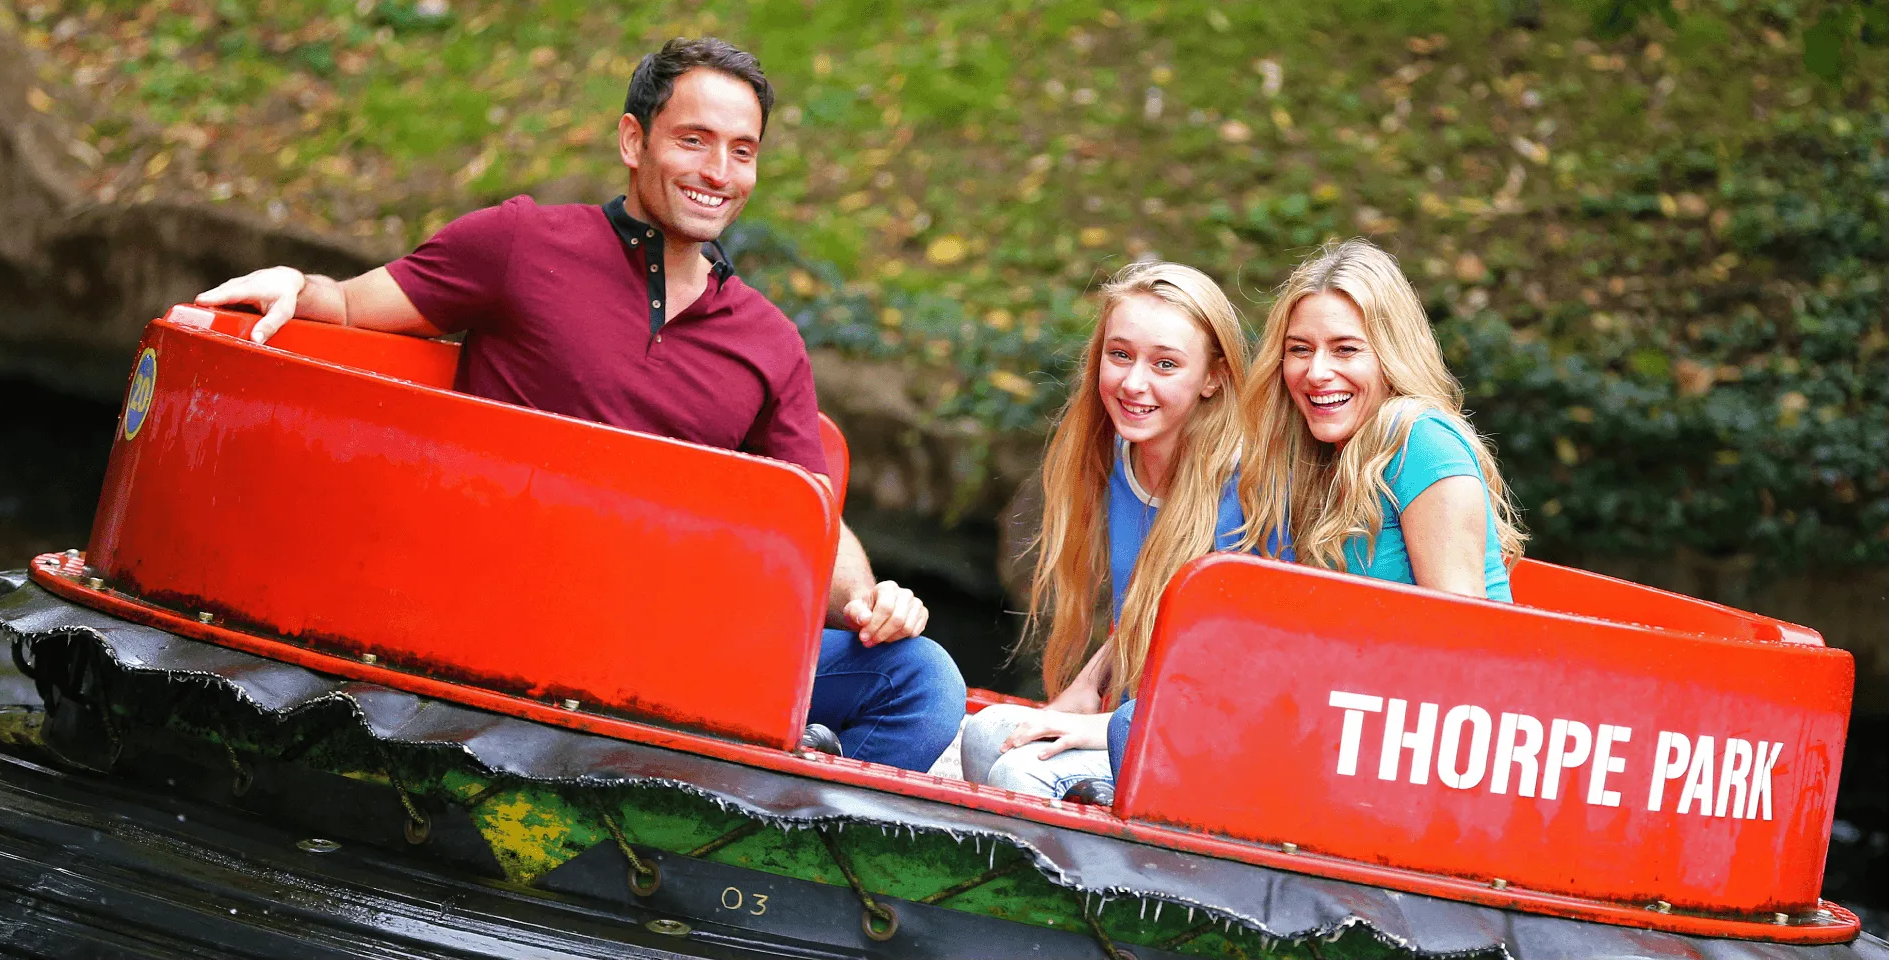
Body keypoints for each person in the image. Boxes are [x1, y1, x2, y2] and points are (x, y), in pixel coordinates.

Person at [192, 38, 964, 772]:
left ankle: (759, 840)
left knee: (920, 677)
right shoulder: (520, 242)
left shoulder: (770, 341)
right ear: (633, 141)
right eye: (693, 140)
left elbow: (811, 514)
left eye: (742, 150)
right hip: (496, 619)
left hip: (661, 650)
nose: (719, 172)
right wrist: (299, 286)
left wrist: (869, 600)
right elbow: (355, 308)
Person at [960, 262, 1272, 800]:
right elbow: (1150, 612)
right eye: (1120, 354)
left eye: (1166, 364)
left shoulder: (1246, 494)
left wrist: (1100, 729)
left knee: (1022, 775)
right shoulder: (1123, 457)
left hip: (1213, 747)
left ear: (1214, 377)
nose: (1133, 383)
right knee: (987, 737)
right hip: (1137, 720)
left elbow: (1243, 684)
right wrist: (1090, 685)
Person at [1236, 238, 1526, 601]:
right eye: (1300, 349)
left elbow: (1463, 637)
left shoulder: (1420, 443)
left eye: (1346, 349)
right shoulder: (1322, 453)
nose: (1316, 372)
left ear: (1391, 356)